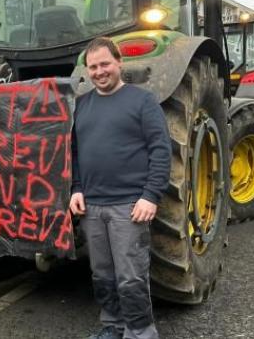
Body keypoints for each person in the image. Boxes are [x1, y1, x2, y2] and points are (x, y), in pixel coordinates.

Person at [69, 37, 171, 339]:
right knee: (102, 275)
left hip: (129, 207)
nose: (99, 71)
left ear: (119, 63)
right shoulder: (82, 105)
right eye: (93, 67)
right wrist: (76, 188)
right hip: (92, 207)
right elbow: (74, 152)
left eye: (105, 64)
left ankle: (140, 332)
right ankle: (112, 326)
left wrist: (150, 195)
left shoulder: (142, 101)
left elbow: (161, 150)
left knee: (131, 277)